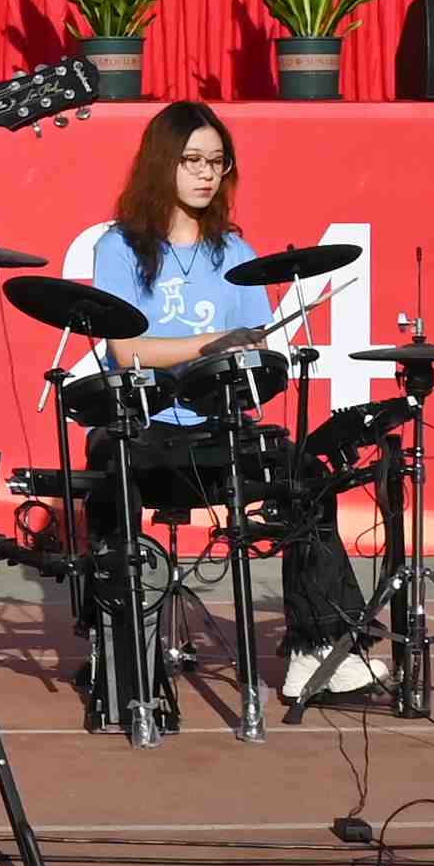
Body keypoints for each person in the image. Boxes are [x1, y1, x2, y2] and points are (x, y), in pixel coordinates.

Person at [72, 102, 374, 702]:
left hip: (218, 431)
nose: (206, 174)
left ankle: (319, 649)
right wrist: (210, 342)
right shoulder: (120, 247)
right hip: (147, 430)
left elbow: (254, 348)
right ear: (162, 163)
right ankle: (118, 650)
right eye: (192, 160)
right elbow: (125, 350)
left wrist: (248, 351)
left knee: (308, 475)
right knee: (107, 465)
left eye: (216, 162)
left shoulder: (234, 251)